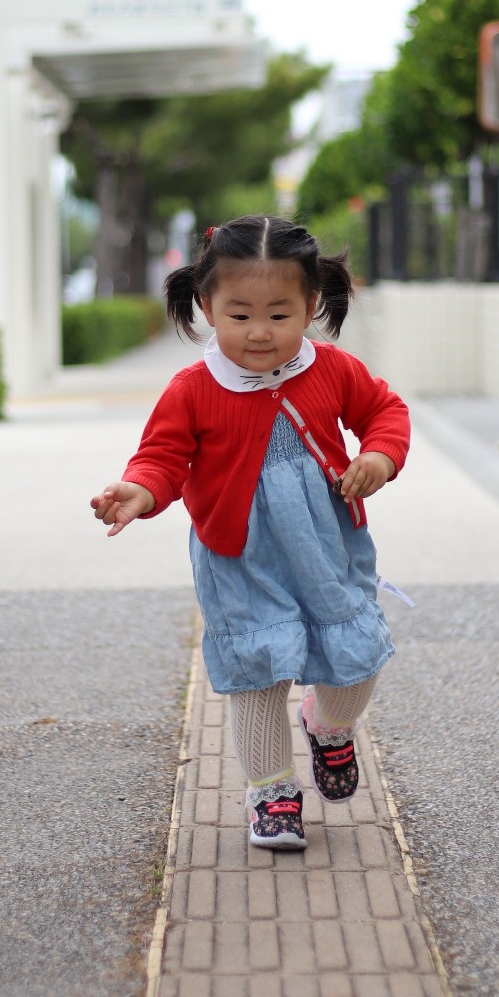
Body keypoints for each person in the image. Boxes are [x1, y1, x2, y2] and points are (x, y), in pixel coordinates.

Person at [90, 215, 410, 852]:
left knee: (354, 660)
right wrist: (141, 491)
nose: (259, 334)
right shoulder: (192, 389)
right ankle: (271, 791)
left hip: (326, 546)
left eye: (279, 314)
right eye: (239, 316)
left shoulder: (333, 370)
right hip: (239, 553)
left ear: (312, 304)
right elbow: (162, 457)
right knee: (259, 670)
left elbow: (384, 411)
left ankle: (327, 723)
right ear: (207, 307)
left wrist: (377, 457)